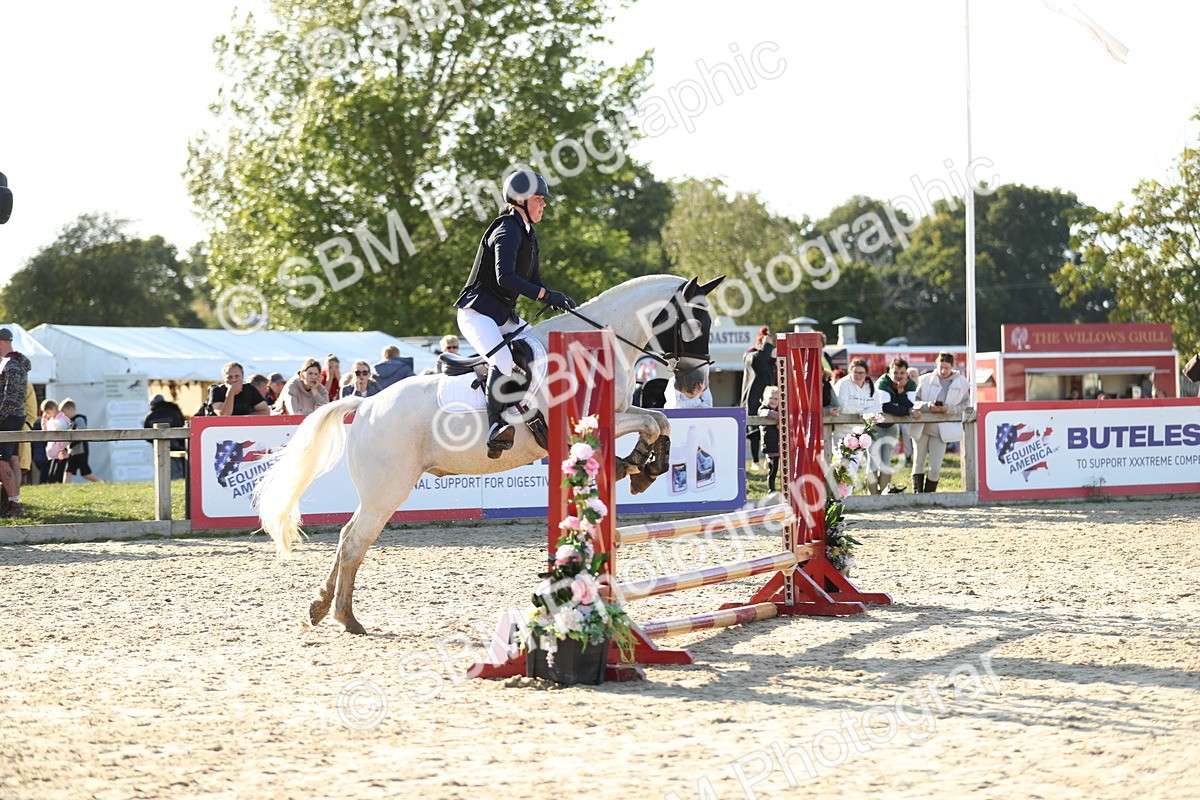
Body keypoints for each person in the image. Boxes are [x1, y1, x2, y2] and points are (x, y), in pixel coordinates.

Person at [453, 170, 576, 458]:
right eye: (538, 199)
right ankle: (495, 427)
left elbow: (534, 279)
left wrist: (557, 297)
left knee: (538, 350)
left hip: (501, 313)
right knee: (503, 358)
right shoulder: (507, 230)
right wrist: (545, 296)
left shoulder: (528, 234)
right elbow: (504, 277)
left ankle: (532, 415)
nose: (543, 204)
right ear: (520, 199)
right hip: (477, 312)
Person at [908, 351, 970, 493]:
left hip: (942, 430)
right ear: (936, 365)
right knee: (918, 463)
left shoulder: (962, 383)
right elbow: (914, 401)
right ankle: (917, 495)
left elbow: (964, 406)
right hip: (922, 427)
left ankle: (930, 495)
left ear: (953, 366)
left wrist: (948, 409)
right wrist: (928, 406)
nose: (943, 371)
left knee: (935, 468)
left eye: (946, 368)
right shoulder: (925, 379)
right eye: (940, 367)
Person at [874, 357, 922, 494]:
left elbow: (910, 405)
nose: (899, 376)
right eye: (895, 373)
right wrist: (907, 410)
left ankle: (882, 494)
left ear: (906, 373)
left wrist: (901, 391)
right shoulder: (882, 382)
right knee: (874, 463)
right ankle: (872, 495)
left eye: (902, 373)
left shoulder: (911, 384)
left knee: (886, 462)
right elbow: (886, 407)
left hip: (892, 425)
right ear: (889, 372)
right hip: (875, 425)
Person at [0, 328, 31, 515]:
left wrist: (0, 416)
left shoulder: (11, 365)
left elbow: (10, 398)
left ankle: (14, 504)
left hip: (7, 417)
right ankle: (14, 501)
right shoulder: (17, 362)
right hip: (15, 416)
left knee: (2, 460)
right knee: (12, 458)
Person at [740, 326, 774, 471]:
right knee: (754, 434)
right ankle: (755, 460)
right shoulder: (750, 355)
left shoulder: (768, 358)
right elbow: (758, 362)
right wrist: (767, 345)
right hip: (753, 399)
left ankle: (769, 458)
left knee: (770, 431)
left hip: (769, 400)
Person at [143, 394, 187, 479]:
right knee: (180, 468)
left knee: (162, 469)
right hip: (177, 445)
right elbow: (181, 427)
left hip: (158, 447)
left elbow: (146, 435)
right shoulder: (174, 411)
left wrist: (155, 441)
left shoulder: (150, 416)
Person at [59, 400, 102, 483]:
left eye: (65, 412)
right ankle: (65, 490)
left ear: (71, 409)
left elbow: (82, 434)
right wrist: (67, 448)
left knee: (85, 473)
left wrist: (70, 446)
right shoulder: (71, 421)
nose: (65, 415)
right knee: (68, 471)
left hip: (81, 451)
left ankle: (101, 482)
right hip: (73, 451)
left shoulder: (79, 419)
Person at [758, 386, 782, 495]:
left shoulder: (780, 410)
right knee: (773, 468)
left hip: (779, 444)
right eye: (771, 398)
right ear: (765, 398)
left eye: (776, 399)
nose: (773, 401)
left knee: (779, 466)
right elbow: (766, 413)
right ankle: (771, 489)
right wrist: (781, 418)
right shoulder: (763, 409)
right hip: (770, 443)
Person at [42, 400, 71, 485]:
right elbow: (46, 431)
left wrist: (64, 448)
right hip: (53, 453)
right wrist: (44, 421)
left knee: (57, 476)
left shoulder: (62, 418)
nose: (48, 414)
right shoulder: (52, 419)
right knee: (51, 475)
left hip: (61, 452)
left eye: (48, 412)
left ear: (53, 408)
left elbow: (62, 430)